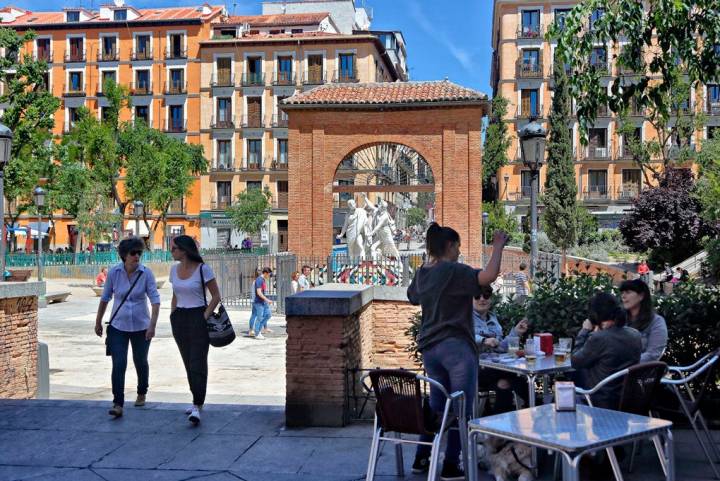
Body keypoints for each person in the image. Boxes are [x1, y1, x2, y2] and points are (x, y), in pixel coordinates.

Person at [408, 223, 509, 480]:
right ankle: (452, 465)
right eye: (458, 247)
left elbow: (412, 297)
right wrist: (497, 246)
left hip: (430, 349)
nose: (460, 251)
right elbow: (488, 277)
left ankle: (422, 457)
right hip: (457, 350)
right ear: (450, 246)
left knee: (438, 405)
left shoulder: (423, 272)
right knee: (460, 408)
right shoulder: (453, 270)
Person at [94, 237, 160, 418]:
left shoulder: (146, 274)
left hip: (141, 326)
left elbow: (155, 301)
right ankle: (118, 403)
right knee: (119, 363)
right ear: (124, 255)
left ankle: (141, 391)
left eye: (139, 252)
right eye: (133, 253)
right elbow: (105, 297)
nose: (137, 256)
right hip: (118, 326)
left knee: (140, 360)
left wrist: (152, 325)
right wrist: (98, 321)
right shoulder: (114, 273)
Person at [169, 235, 221, 425]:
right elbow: (175, 295)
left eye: (174, 248)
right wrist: (173, 314)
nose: (171, 251)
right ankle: (194, 399)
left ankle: (198, 405)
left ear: (184, 250)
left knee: (198, 362)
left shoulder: (203, 269)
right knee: (187, 362)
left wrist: (204, 317)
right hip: (180, 318)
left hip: (198, 316)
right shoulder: (173, 270)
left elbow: (216, 296)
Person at [571, 292, 642, 409]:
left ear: (595, 315)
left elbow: (575, 361)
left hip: (600, 399)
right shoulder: (635, 334)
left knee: (566, 384)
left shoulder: (599, 338)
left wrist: (584, 331)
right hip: (628, 399)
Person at [473, 285, 529, 414]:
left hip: (495, 368)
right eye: (477, 296)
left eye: (486, 295)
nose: (482, 299)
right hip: (474, 369)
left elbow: (500, 348)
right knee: (519, 376)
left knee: (504, 384)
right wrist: (483, 340)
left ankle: (498, 427)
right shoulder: (464, 318)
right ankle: (536, 408)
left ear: (491, 299)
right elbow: (463, 336)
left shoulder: (493, 318)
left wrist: (516, 332)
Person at [619, 279, 668, 362]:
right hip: (614, 371)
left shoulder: (656, 322)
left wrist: (625, 365)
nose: (623, 296)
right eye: (622, 293)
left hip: (642, 371)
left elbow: (653, 354)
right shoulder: (618, 319)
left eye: (628, 292)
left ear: (641, 296)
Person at [249, 267, 273, 339]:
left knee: (268, 315)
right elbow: (259, 293)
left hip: (263, 302)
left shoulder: (262, 280)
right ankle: (257, 333)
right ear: (265, 273)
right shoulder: (259, 280)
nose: (269, 276)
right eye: (269, 274)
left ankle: (259, 329)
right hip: (258, 302)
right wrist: (267, 300)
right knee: (259, 317)